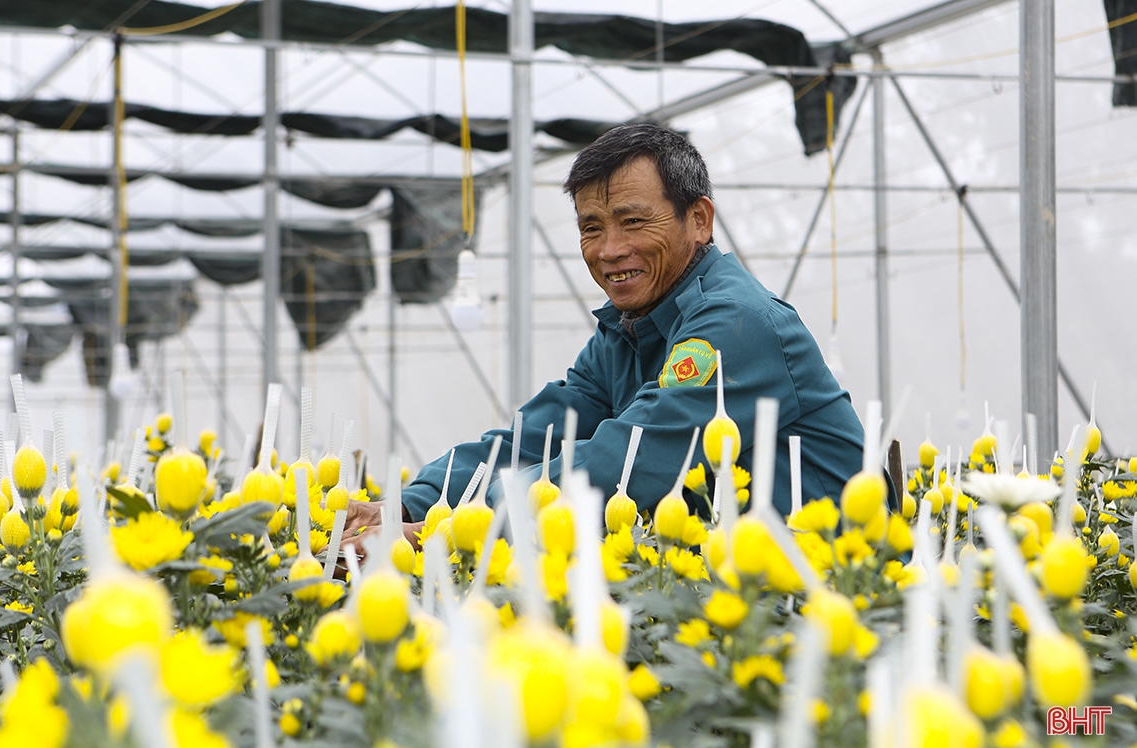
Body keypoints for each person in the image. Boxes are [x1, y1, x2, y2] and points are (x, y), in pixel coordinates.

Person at [344, 124, 864, 553]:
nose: (609, 249)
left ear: (698, 220)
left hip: (833, 586)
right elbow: (537, 437)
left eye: (633, 222)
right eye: (591, 228)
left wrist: (445, 533)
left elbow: (628, 462)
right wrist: (411, 504)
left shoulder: (735, 323)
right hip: (739, 583)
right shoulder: (628, 327)